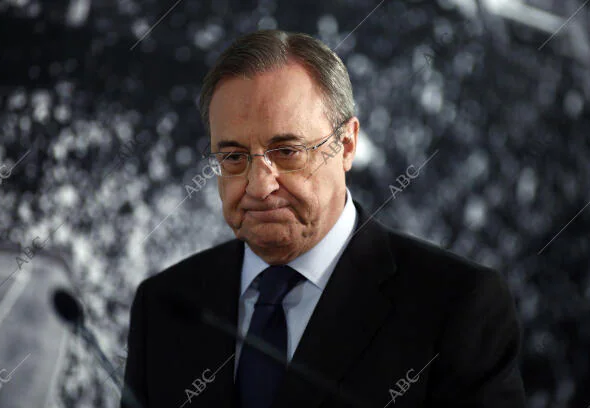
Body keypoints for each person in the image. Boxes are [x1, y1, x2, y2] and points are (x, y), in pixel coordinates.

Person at [122, 29, 526, 408]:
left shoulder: (457, 307)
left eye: (287, 152)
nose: (259, 186)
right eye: (232, 157)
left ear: (346, 145)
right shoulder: (164, 306)